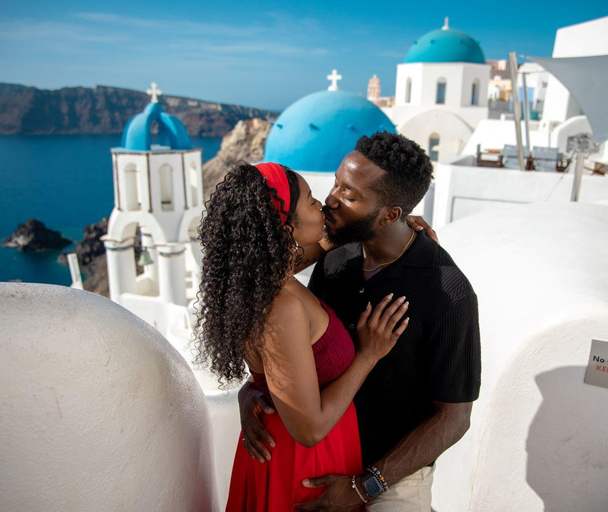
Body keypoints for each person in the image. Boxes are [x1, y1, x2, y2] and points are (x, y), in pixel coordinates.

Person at [239, 132, 482, 511]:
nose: (331, 200)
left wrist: (365, 485)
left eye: (349, 195)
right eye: (336, 182)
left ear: (390, 214)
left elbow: (454, 418)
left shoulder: (447, 291)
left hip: (391, 478)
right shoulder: (336, 258)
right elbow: (290, 335)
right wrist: (256, 387)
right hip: (325, 457)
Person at [196, 161, 412, 511]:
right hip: (305, 469)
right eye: (311, 200)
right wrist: (369, 355)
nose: (322, 205)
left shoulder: (263, 278)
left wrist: (400, 227)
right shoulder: (280, 310)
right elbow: (309, 429)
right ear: (285, 226)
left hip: (304, 455)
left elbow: (324, 242)